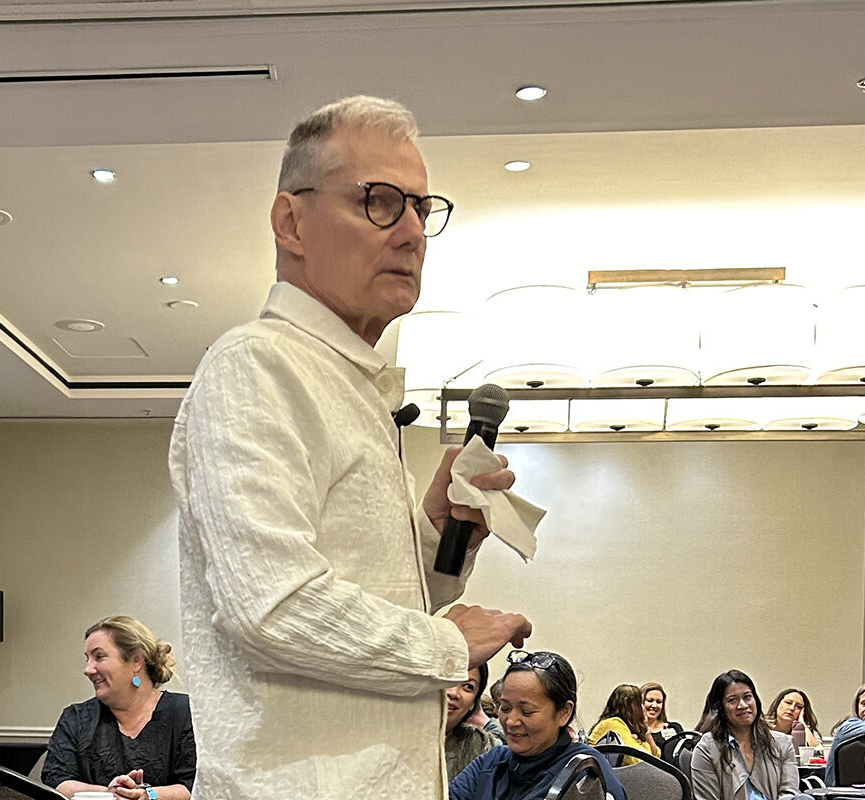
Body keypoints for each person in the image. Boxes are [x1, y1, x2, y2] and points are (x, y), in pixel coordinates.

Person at [168, 95, 533, 800]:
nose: (411, 233)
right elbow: (271, 610)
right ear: (291, 221)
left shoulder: (355, 389)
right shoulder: (258, 364)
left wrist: (433, 540)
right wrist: (448, 645)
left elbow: (357, 612)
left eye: (423, 209)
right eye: (380, 201)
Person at [41, 616, 195, 800]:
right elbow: (57, 780)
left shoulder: (185, 713)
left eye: (99, 657)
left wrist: (147, 796)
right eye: (87, 659)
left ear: (136, 661)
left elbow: (194, 785)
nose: (88, 669)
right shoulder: (76, 718)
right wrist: (110, 794)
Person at [449, 651, 627, 800]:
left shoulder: (585, 771)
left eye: (527, 711)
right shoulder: (491, 763)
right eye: (505, 707)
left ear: (564, 712)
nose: (511, 721)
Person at [691, 669, 799, 800]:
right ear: (720, 708)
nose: (742, 705)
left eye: (747, 697)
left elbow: (790, 794)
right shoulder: (707, 749)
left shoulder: (782, 743)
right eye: (732, 700)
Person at [446, 664, 501, 780]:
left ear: (473, 703)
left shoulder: (484, 747)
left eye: (468, 686)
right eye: (448, 679)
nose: (454, 693)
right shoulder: (399, 732)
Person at [589, 683, 659, 764]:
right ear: (629, 704)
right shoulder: (613, 723)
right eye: (640, 703)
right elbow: (636, 760)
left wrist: (646, 730)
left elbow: (655, 756)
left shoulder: (627, 726)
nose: (643, 708)